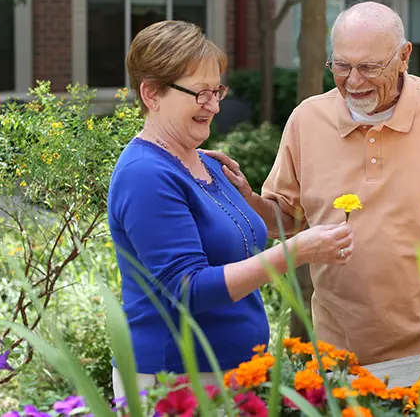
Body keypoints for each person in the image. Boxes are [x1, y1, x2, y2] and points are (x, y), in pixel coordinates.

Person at [205, 2, 420, 366]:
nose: (353, 82)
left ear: (404, 57)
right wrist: (247, 198)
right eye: (341, 65)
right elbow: (287, 222)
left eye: (369, 67)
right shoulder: (307, 120)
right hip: (342, 353)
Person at [107, 20, 354, 398]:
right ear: (152, 93)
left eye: (217, 90)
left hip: (233, 372)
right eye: (200, 93)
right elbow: (188, 288)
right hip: (176, 381)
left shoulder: (205, 161)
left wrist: (251, 200)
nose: (214, 105)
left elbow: (240, 237)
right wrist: (297, 252)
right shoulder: (145, 174)